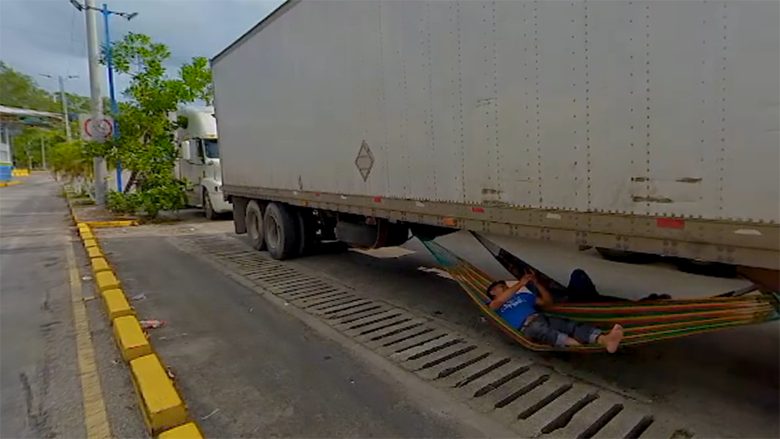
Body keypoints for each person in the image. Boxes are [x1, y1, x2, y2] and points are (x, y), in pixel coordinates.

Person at [487, 269, 624, 352]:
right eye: (501, 286)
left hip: (541, 317)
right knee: (548, 333)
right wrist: (520, 283)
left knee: (570, 325)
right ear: (493, 291)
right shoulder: (492, 305)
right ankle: (579, 346)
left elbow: (548, 302)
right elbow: (499, 302)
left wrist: (537, 284)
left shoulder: (522, 296)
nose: (505, 287)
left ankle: (604, 340)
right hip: (527, 326)